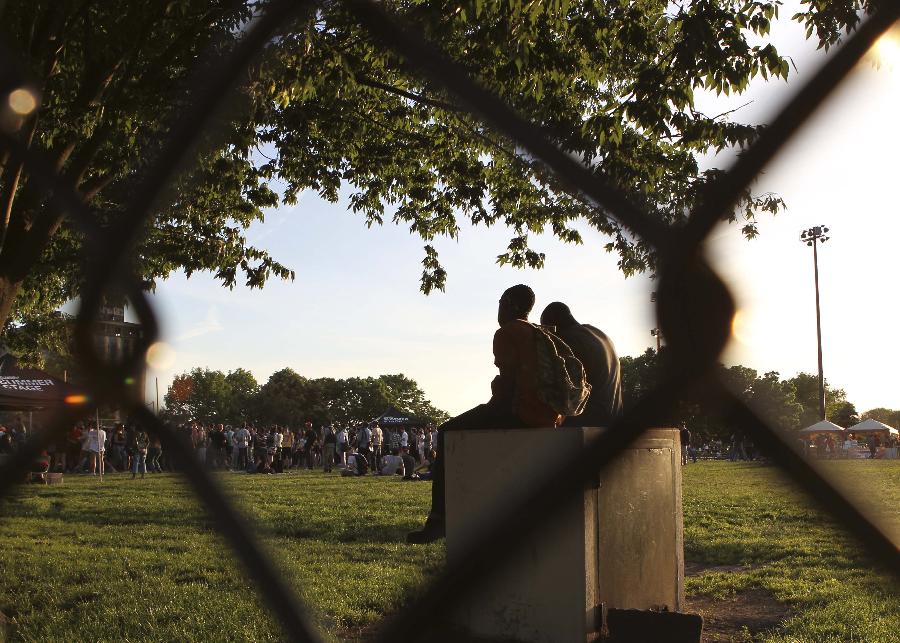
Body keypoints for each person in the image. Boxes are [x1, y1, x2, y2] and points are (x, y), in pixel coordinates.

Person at [407, 284, 561, 543]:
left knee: (446, 431)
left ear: (510, 304)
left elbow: (509, 388)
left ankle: (438, 520)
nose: (498, 309)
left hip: (521, 412)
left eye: (500, 302)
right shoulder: (540, 333)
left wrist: (495, 395)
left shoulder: (507, 332)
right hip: (550, 415)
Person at [539, 302, 623, 427]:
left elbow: (561, 389)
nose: (550, 336)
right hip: (614, 419)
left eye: (548, 330)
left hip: (589, 423)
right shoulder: (598, 333)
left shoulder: (568, 340)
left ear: (554, 325)